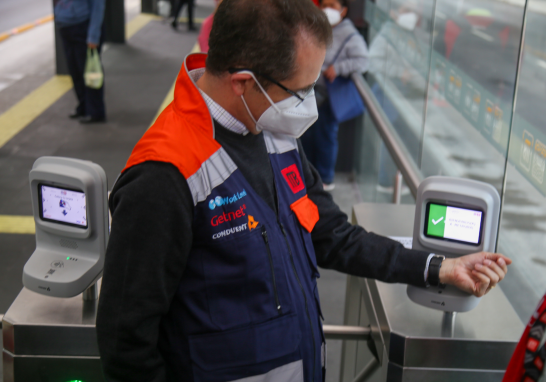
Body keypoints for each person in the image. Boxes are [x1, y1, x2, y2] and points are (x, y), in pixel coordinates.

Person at [96, 1, 511, 381]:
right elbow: (125, 341)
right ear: (244, 82)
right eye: (300, 90)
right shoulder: (164, 175)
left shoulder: (271, 129)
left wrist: (436, 267)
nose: (308, 103)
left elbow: (330, 234)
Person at [300, 0, 368, 191]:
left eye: (333, 5)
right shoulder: (317, 27)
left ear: (344, 10)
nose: (327, 10)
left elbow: (362, 61)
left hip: (328, 96)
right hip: (309, 92)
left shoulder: (349, 34)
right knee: (307, 135)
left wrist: (338, 68)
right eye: (324, 5)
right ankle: (309, 176)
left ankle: (325, 180)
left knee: (325, 136)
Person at [54, 0, 107, 124]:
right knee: (75, 71)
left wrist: (93, 36)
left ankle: (96, 112)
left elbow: (98, 6)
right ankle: (83, 107)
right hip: (66, 28)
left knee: (89, 71)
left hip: (83, 28)